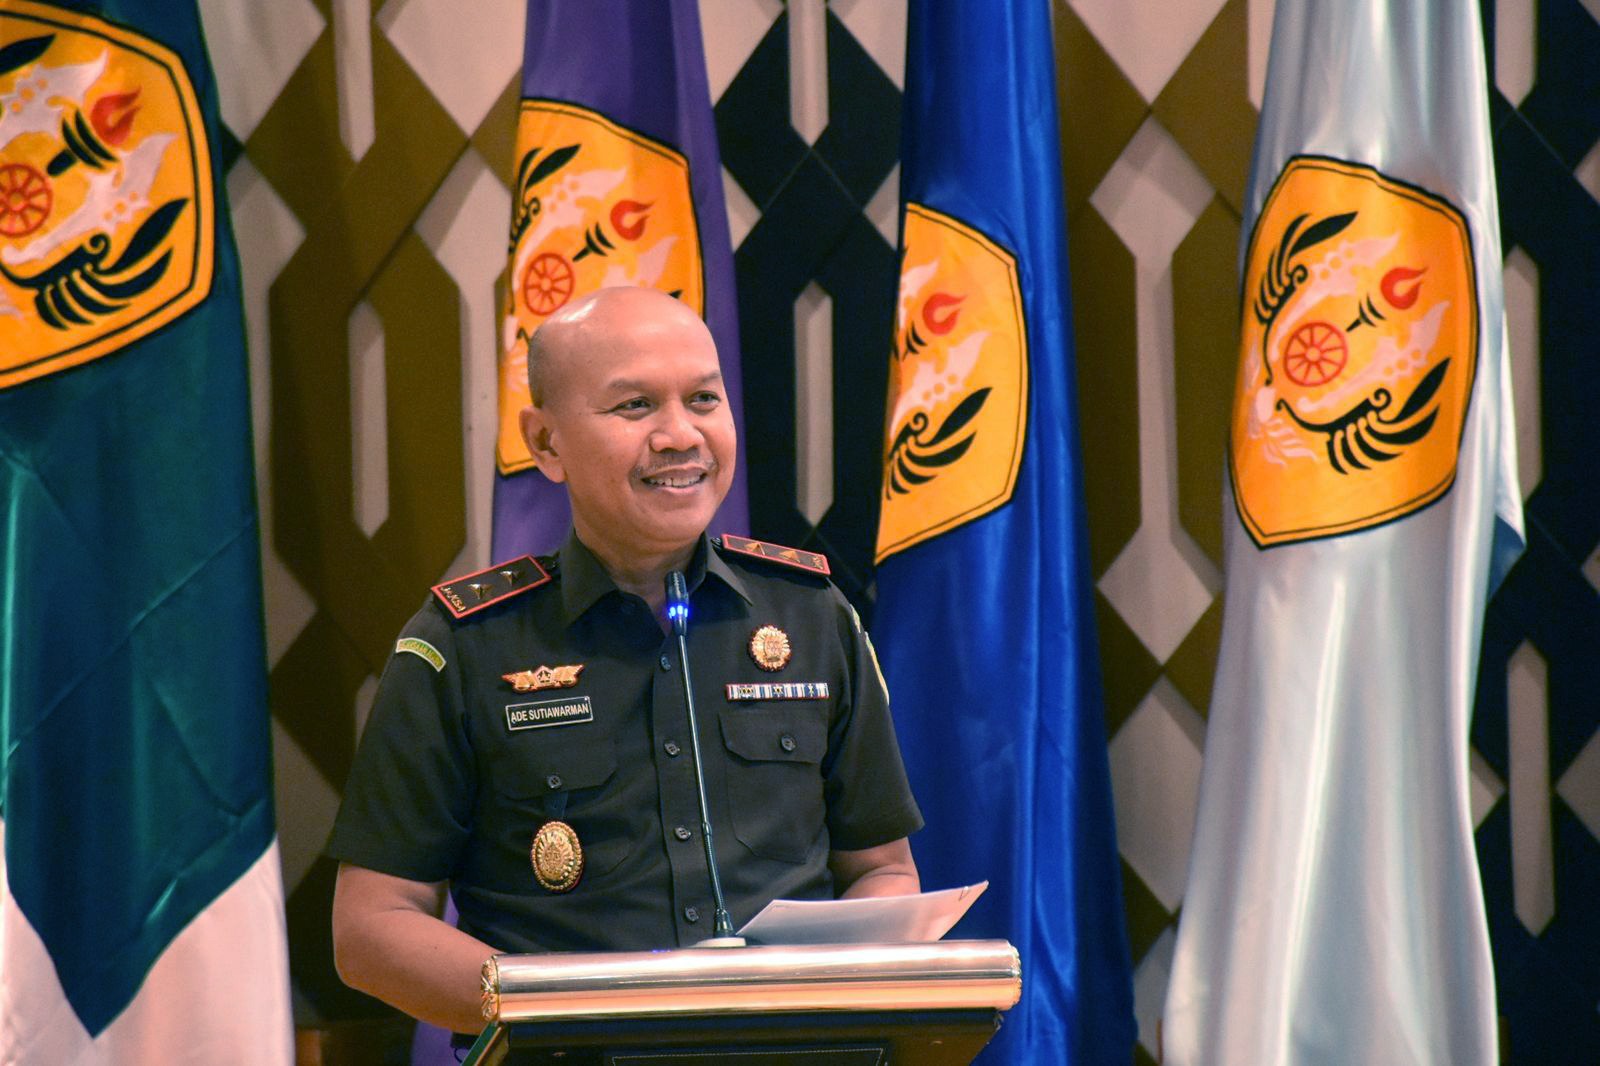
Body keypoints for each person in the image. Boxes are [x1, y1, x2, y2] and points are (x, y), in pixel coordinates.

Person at [327, 286, 923, 1034]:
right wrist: (569, 1017)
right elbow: (372, 926)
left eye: (703, 400)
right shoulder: (464, 647)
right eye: (635, 406)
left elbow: (881, 868)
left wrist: (824, 999)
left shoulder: (811, 616)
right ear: (546, 443)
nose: (680, 435)